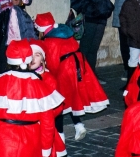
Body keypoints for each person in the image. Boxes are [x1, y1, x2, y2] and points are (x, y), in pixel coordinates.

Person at [34, 12, 109, 141]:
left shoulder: (50, 41)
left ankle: (60, 135)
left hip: (65, 71)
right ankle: (79, 126)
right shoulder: (65, 34)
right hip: (78, 66)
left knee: (58, 101)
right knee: (74, 97)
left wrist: (48, 77)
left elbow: (52, 64)